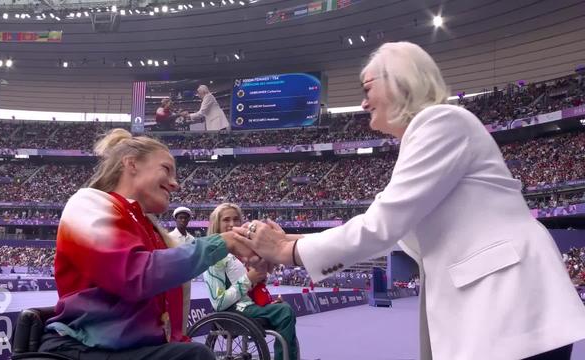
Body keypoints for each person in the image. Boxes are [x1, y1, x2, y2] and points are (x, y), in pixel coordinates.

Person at [233, 42, 585, 360]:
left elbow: (382, 225)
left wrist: (286, 251)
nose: (363, 102)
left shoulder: (440, 122)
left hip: (512, 308)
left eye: (368, 88)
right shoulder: (428, 136)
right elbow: (388, 228)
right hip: (500, 314)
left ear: (400, 82)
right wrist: (286, 240)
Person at [39, 129, 254, 360]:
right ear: (131, 164)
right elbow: (136, 274)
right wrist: (222, 242)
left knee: (194, 353)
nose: (175, 184)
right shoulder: (87, 203)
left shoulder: (147, 226)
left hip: (127, 347)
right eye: (166, 169)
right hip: (82, 347)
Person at [203, 203, 298, 360]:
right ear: (216, 224)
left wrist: (267, 302)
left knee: (283, 308)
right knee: (284, 313)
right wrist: (249, 278)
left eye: (236, 219)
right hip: (231, 311)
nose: (232, 224)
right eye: (226, 220)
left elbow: (248, 290)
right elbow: (218, 303)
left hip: (246, 306)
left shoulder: (243, 252)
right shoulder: (214, 256)